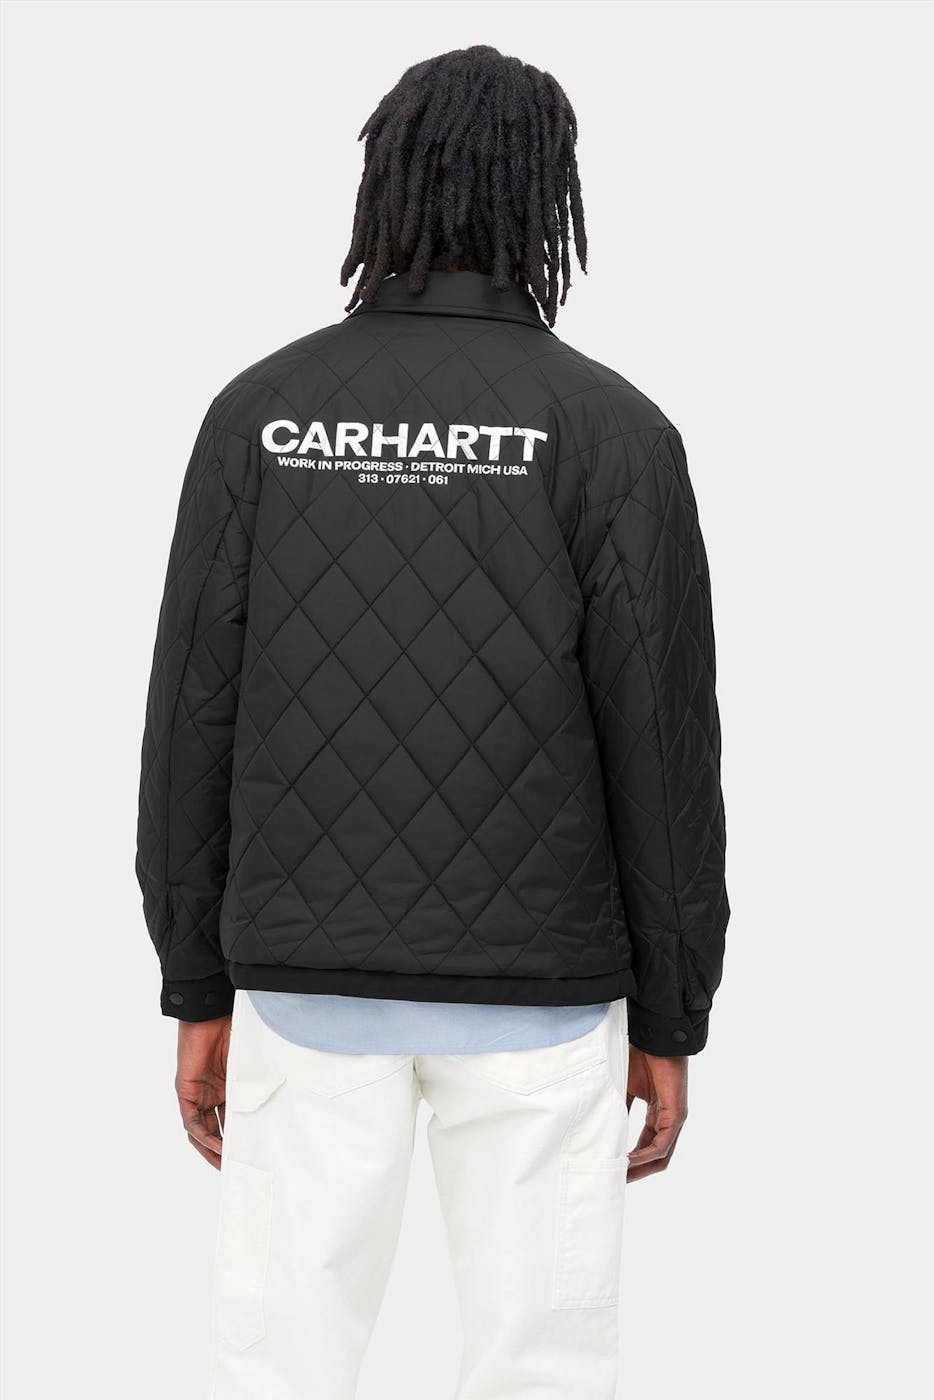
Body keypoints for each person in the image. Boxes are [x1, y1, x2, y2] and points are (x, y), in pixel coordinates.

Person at [136, 44, 729, 1400]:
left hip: (302, 985)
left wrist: (195, 983)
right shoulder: (613, 432)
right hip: (540, 1001)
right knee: (540, 1366)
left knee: (281, 1365)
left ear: (385, 187)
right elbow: (662, 749)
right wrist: (671, 1009)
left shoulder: (260, 414)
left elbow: (187, 722)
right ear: (546, 197)